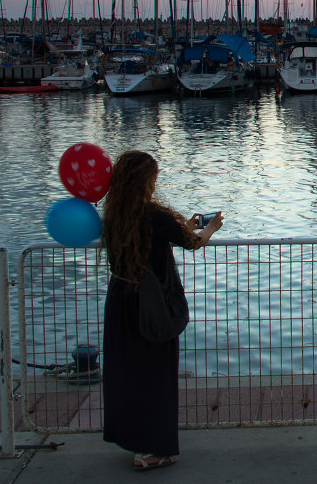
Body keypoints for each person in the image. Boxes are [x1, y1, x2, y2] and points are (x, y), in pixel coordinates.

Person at [100, 150, 224, 471]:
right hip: (150, 304)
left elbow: (157, 239)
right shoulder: (154, 216)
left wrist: (183, 224)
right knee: (156, 375)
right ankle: (154, 451)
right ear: (147, 182)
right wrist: (210, 228)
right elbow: (192, 243)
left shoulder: (115, 215)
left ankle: (135, 441)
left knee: (128, 373)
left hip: (121, 300)